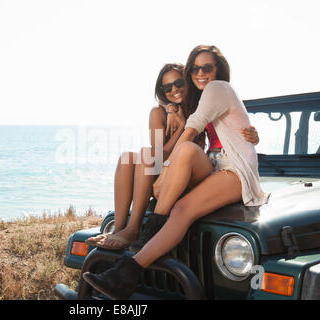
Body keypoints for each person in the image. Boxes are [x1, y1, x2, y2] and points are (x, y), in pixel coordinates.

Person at [82, 45, 270, 300]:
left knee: (184, 152)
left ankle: (144, 235)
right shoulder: (183, 103)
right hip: (210, 166)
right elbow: (162, 150)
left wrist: (172, 160)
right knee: (178, 204)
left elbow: (194, 133)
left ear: (218, 69)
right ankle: (127, 249)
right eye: (195, 68)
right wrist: (172, 115)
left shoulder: (217, 89)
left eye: (207, 67)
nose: (200, 73)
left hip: (230, 168)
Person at [85, 62, 259, 251]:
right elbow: (160, 153)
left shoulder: (200, 106)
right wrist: (176, 123)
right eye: (167, 87)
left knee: (147, 154)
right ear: (162, 91)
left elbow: (227, 129)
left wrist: (254, 136)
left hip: (189, 170)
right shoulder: (158, 113)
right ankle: (120, 229)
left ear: (187, 82)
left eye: (178, 83)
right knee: (128, 158)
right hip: (162, 171)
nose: (174, 90)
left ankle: (133, 230)